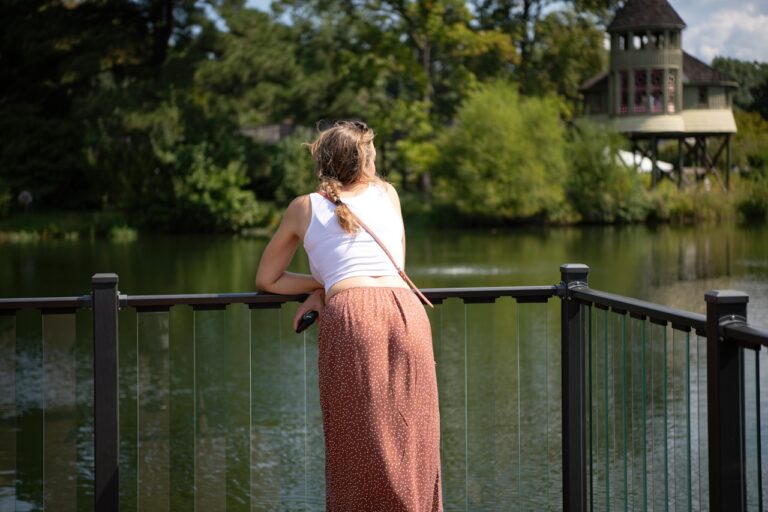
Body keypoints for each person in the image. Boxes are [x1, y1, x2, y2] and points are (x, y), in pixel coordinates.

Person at [255, 120, 442, 511]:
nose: (376, 157)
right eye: (371, 151)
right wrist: (326, 285)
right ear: (363, 159)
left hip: (353, 315)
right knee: (416, 437)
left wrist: (320, 288)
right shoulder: (389, 194)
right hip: (406, 309)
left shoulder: (304, 207)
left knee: (355, 438)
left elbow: (267, 279)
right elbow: (396, 263)